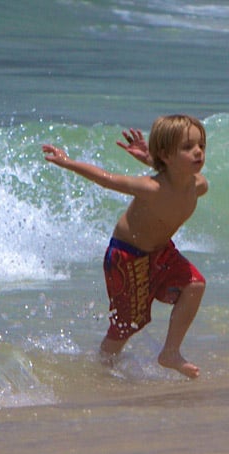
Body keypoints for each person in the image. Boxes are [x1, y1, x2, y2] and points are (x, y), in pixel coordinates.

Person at [42, 115, 207, 378]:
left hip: (161, 252)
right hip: (127, 256)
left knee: (195, 284)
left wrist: (149, 159)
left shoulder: (198, 186)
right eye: (187, 148)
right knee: (127, 325)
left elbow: (175, 173)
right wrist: (67, 162)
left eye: (201, 146)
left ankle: (170, 352)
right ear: (166, 155)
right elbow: (107, 179)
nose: (198, 152)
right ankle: (102, 367)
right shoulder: (150, 187)